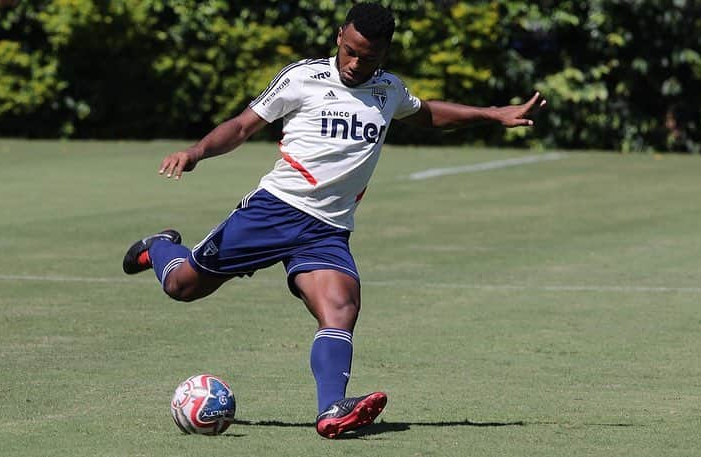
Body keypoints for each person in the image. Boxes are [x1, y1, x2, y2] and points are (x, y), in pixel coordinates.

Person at [123, 2, 546, 439]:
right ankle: (159, 248)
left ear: (385, 53)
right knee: (183, 287)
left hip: (327, 229)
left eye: (369, 57)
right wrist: (195, 153)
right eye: (351, 51)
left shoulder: (388, 90)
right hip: (275, 210)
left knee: (341, 310)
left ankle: (331, 411)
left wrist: (493, 114)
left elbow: (429, 115)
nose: (356, 64)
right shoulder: (303, 77)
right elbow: (244, 126)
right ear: (340, 36)